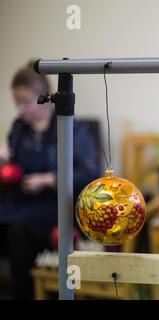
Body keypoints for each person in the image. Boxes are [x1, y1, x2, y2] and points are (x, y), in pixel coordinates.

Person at [0, 62, 99, 299]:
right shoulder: (19, 128)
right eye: (17, 103)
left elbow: (88, 174)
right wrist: (4, 161)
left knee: (17, 233)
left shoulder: (71, 127)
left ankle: (23, 293)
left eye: (25, 102)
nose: (20, 109)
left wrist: (47, 179)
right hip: (21, 201)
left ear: (44, 97)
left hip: (55, 206)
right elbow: (13, 170)